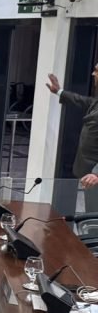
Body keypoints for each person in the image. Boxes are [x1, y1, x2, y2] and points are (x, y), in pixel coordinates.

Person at [48, 66, 98, 209]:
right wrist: (59, 92)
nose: (93, 73)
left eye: (96, 71)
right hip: (89, 173)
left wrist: (96, 174)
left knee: (94, 214)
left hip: (94, 175)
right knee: (92, 212)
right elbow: (84, 101)